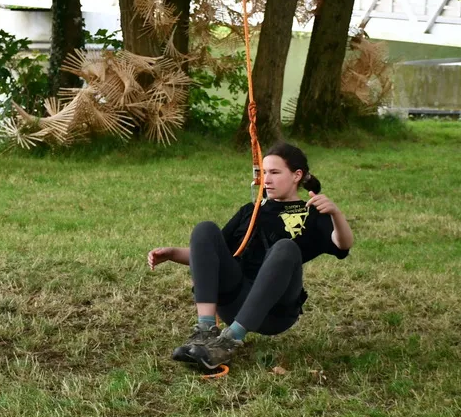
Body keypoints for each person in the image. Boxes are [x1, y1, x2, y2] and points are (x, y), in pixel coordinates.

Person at [147, 142, 352, 370]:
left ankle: (228, 341)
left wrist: (335, 213)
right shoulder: (251, 210)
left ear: (297, 175)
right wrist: (173, 253)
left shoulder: (312, 212)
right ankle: (204, 333)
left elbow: (342, 246)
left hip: (275, 310)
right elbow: (212, 256)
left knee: (285, 247)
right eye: (263, 173)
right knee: (204, 229)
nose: (267, 179)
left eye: (275, 172)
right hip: (234, 300)